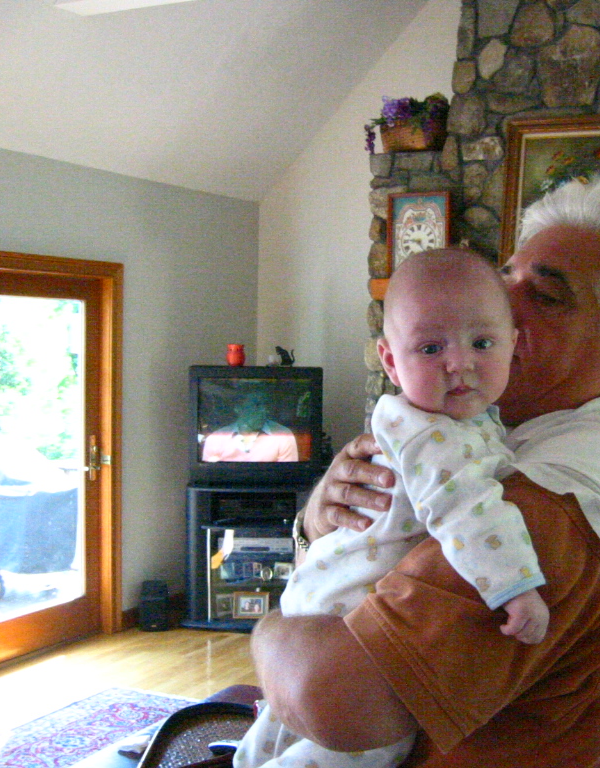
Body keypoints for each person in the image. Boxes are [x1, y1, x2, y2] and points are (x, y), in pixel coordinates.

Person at [248, 176, 600, 767]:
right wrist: (320, 521)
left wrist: (268, 629)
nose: (500, 307)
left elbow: (329, 699)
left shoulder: (542, 507)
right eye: (505, 279)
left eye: (545, 296)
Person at [235, 251, 550, 768]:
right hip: (345, 610)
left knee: (278, 723)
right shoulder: (435, 436)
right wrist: (515, 587)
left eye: (481, 343)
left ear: (512, 344)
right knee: (376, 744)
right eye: (430, 348)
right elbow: (467, 510)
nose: (459, 363)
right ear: (389, 361)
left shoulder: (451, 422)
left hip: (320, 594)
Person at [201, 391, 299, 462]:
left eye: (266, 405)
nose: (264, 410)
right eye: (257, 405)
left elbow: (288, 476)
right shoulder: (216, 439)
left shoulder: (283, 436)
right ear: (238, 408)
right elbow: (208, 477)